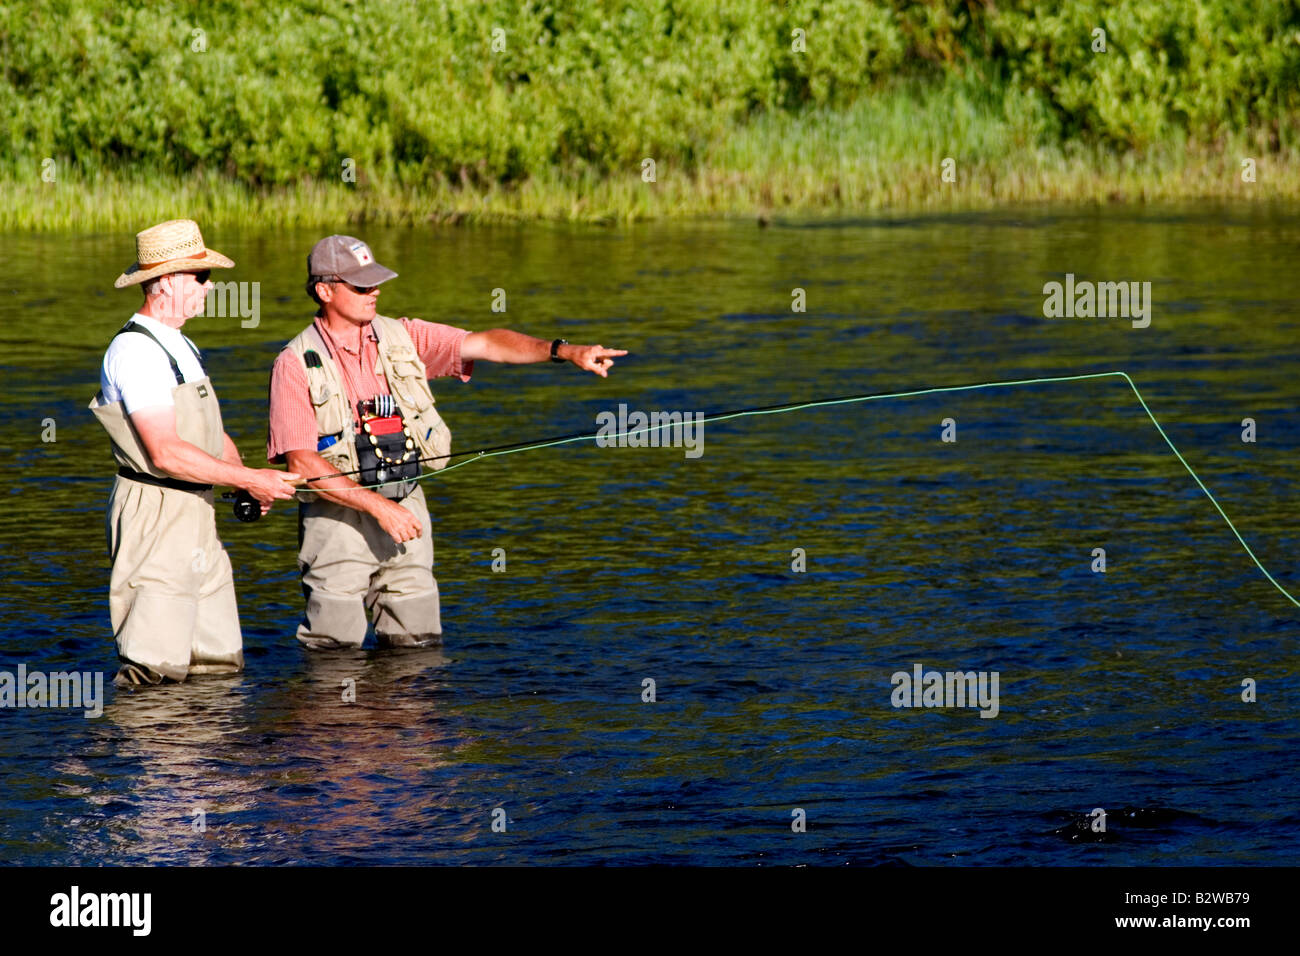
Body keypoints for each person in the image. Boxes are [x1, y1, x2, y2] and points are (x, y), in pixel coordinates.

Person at [267, 234, 626, 649]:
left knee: (417, 647)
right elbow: (303, 464)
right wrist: (378, 508)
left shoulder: (405, 335)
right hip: (337, 520)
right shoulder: (294, 363)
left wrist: (565, 351)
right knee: (334, 654)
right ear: (325, 290)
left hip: (407, 508)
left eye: (376, 282)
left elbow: (488, 343)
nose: (375, 291)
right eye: (361, 285)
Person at [90, 219, 300, 688]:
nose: (209, 288)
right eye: (199, 277)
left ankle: (209, 761)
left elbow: (209, 432)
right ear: (163, 283)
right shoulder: (136, 352)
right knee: (155, 671)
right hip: (156, 514)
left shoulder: (182, 343)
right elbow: (165, 452)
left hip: (198, 512)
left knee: (217, 665)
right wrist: (246, 479)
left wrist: (247, 475)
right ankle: (154, 759)